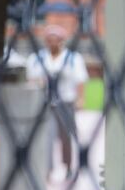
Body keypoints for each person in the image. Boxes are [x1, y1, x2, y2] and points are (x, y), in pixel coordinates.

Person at [28, 24, 89, 179]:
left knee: (66, 137)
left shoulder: (73, 59)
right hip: (46, 103)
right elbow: (30, 79)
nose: (53, 43)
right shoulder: (38, 59)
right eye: (50, 40)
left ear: (62, 41)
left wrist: (80, 99)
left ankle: (68, 167)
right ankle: (47, 169)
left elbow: (81, 81)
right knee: (46, 136)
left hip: (66, 102)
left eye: (57, 40)